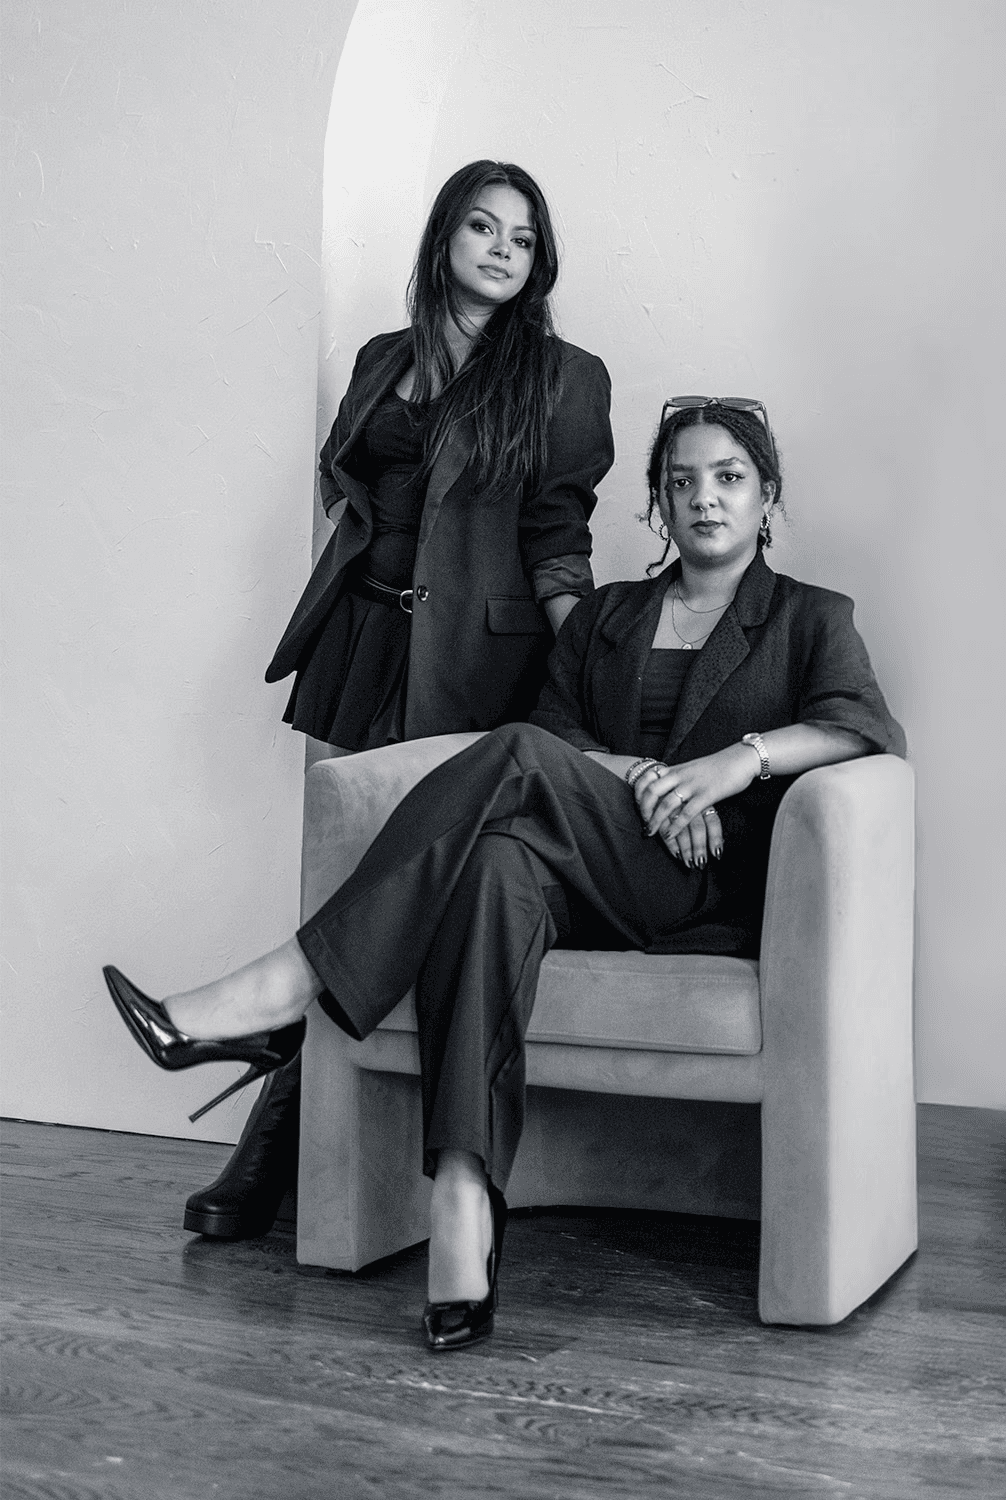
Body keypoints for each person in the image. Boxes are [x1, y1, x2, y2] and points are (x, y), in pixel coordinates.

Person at [104, 396, 905, 1349]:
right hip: (590, 870)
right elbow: (563, 740)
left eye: (729, 478)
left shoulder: (811, 617)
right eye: (682, 480)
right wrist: (642, 777)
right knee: (493, 864)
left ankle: (288, 986)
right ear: (657, 502)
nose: (705, 498)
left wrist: (735, 764)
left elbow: (864, 729)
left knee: (516, 752)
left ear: (767, 495)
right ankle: (464, 1201)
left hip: (701, 884)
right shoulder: (607, 617)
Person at [181, 161, 614, 1242]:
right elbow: (350, 479)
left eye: (523, 237)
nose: (502, 250)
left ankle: (269, 1146)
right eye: (483, 227)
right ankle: (285, 1132)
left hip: (476, 666)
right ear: (443, 239)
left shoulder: (564, 377)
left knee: (401, 884)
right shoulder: (385, 357)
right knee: (336, 882)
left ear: (539, 261)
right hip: (362, 647)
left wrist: (591, 671)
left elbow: (557, 534)